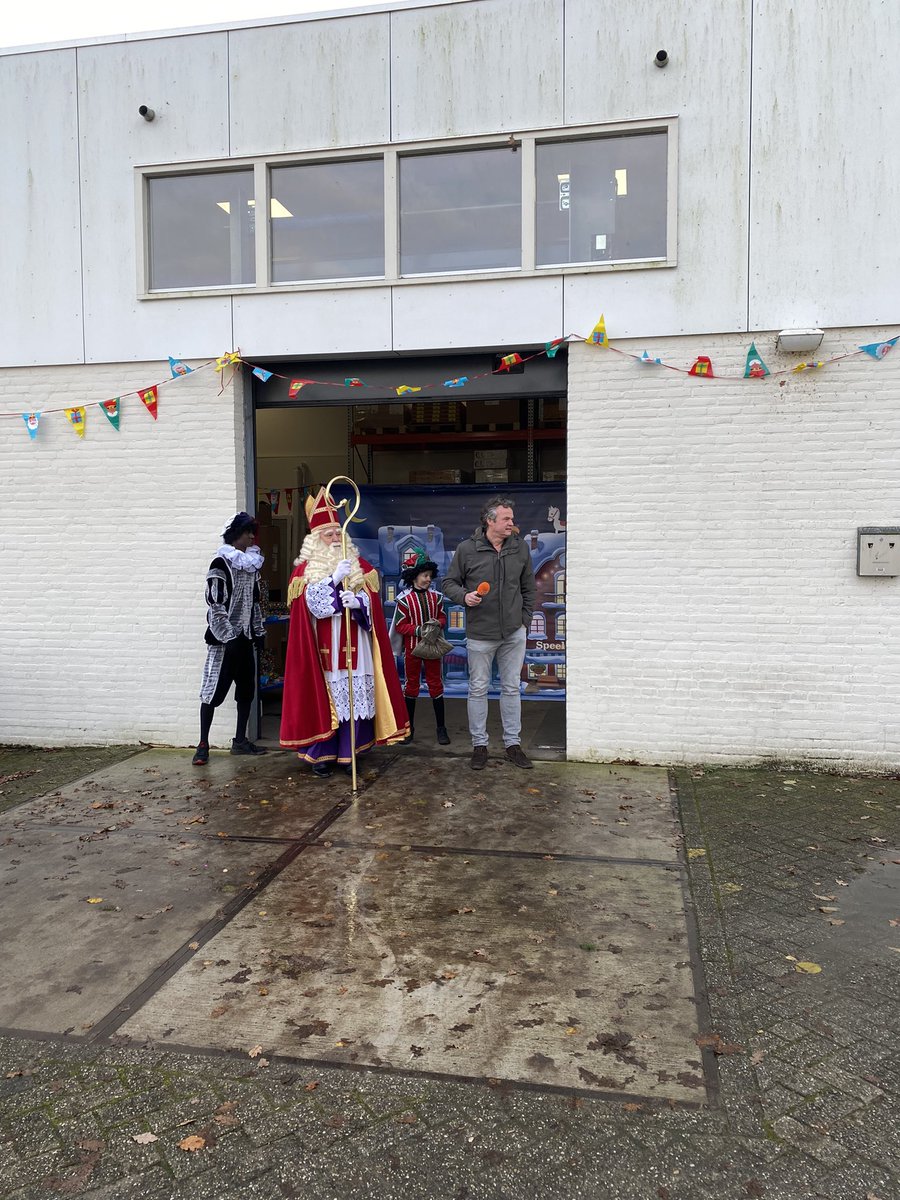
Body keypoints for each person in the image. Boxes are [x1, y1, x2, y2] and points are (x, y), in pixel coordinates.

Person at [279, 487, 409, 775]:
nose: (336, 539)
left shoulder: (360, 566)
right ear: (316, 539)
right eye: (329, 534)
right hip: (324, 646)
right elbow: (311, 607)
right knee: (328, 698)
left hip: (355, 644)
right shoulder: (304, 571)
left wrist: (360, 602)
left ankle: (349, 751)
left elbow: (374, 607)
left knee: (352, 696)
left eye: (338, 533)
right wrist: (333, 583)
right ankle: (323, 753)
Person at [442, 496, 536, 770]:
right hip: (480, 633)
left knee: (510, 689)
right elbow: (448, 582)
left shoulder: (520, 549)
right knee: (478, 689)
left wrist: (524, 621)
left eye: (511, 518)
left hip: (513, 633)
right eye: (506, 519)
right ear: (490, 521)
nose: (511, 523)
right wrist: (464, 596)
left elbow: (529, 588)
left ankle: (512, 745)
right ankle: (479, 746)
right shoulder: (466, 549)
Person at [193, 511, 268, 765]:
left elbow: (255, 603)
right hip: (224, 643)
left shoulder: (250, 565)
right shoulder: (220, 563)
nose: (251, 536)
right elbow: (216, 605)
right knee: (213, 692)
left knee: (246, 691)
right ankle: (203, 744)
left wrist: (258, 632)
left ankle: (240, 741)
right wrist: (228, 636)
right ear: (236, 534)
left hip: (245, 640)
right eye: (248, 532)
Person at [389, 548, 451, 745]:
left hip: (433, 649)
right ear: (414, 576)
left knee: (436, 685)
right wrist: (419, 630)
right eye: (425, 575)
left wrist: (439, 623)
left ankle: (441, 729)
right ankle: (409, 730)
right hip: (413, 649)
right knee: (411, 686)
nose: (428, 579)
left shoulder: (437, 597)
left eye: (430, 576)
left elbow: (442, 617)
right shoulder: (404, 600)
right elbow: (400, 625)